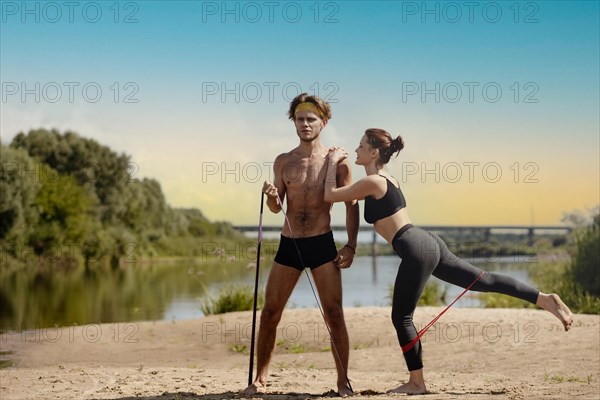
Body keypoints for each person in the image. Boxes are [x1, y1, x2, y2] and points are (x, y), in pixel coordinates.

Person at [324, 128, 574, 395]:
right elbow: (348, 197)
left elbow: (330, 195)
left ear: (374, 152)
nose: (356, 149)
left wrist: (330, 162)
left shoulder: (373, 182)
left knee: (401, 317)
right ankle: (545, 299)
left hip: (414, 246)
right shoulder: (388, 179)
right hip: (428, 242)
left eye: (361, 146)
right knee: (485, 281)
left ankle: (417, 382)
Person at [240, 93, 360, 398]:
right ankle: (260, 380)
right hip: (289, 244)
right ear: (293, 122)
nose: (305, 124)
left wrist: (351, 246)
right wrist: (270, 196)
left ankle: (343, 382)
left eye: (311, 119)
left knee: (334, 313)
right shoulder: (283, 161)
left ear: (324, 121)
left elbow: (351, 205)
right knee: (270, 313)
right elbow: (277, 207)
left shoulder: (338, 162)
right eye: (299, 119)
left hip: (322, 244)